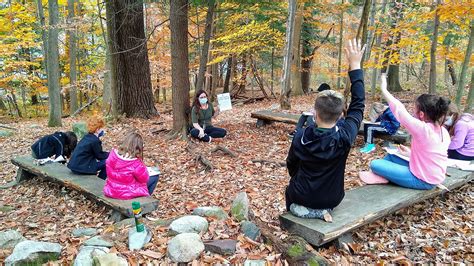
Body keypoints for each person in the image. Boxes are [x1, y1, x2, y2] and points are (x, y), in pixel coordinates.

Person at [285, 39, 366, 222]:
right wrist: (355, 66)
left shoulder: (301, 136)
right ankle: (318, 211)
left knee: (290, 190)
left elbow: (292, 165)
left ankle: (302, 210)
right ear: (339, 116)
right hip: (331, 198)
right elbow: (358, 105)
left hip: (301, 195)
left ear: (315, 114)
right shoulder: (345, 136)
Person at [360, 74, 451, 190]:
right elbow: (432, 155)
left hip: (423, 180)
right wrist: (410, 153)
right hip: (433, 174)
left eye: (414, 109)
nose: (412, 111)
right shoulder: (442, 130)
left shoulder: (423, 129)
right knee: (392, 156)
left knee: (375, 164)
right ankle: (383, 175)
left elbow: (399, 110)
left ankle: (383, 176)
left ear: (421, 114)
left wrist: (384, 89)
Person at [103, 132, 159, 199]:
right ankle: (145, 200)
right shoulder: (135, 163)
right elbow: (144, 179)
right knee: (155, 177)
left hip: (110, 189)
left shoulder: (112, 155)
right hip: (126, 193)